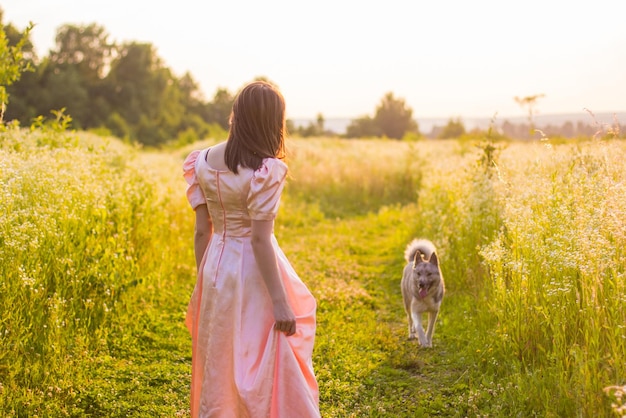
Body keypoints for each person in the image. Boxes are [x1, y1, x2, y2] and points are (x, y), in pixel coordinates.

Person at [183, 80, 320, 418]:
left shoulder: (202, 161)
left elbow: (203, 231)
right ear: (272, 122)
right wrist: (279, 301)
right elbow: (259, 240)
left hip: (216, 264)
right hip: (253, 270)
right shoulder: (264, 169)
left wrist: (206, 280)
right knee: (264, 357)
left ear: (238, 115)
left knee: (222, 355)